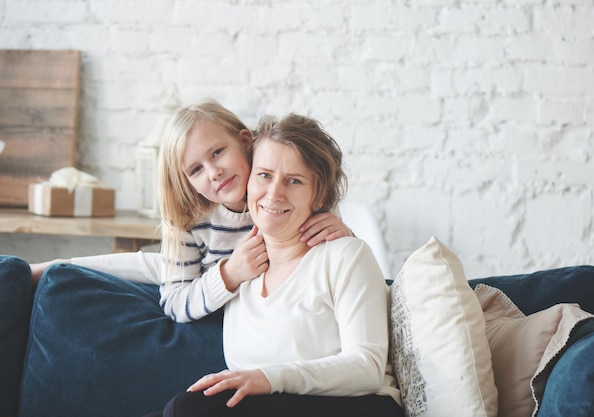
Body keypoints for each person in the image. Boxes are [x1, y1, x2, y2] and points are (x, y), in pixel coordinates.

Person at [144, 113, 402, 417]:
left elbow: (367, 368)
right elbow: (149, 266)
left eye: (294, 181)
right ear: (248, 180)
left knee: (189, 409)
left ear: (318, 194)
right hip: (273, 406)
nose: (274, 194)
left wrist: (267, 379)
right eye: (264, 175)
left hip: (359, 406)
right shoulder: (240, 270)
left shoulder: (347, 255)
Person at [29, 99, 353, 323]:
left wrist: (341, 232)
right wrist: (229, 273)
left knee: (149, 265)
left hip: (223, 276)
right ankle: (50, 267)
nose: (214, 172)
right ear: (186, 181)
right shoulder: (194, 222)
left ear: (244, 141)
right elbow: (175, 302)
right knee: (142, 265)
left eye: (218, 152)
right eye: (196, 169)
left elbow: (334, 254)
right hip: (207, 269)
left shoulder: (281, 190)